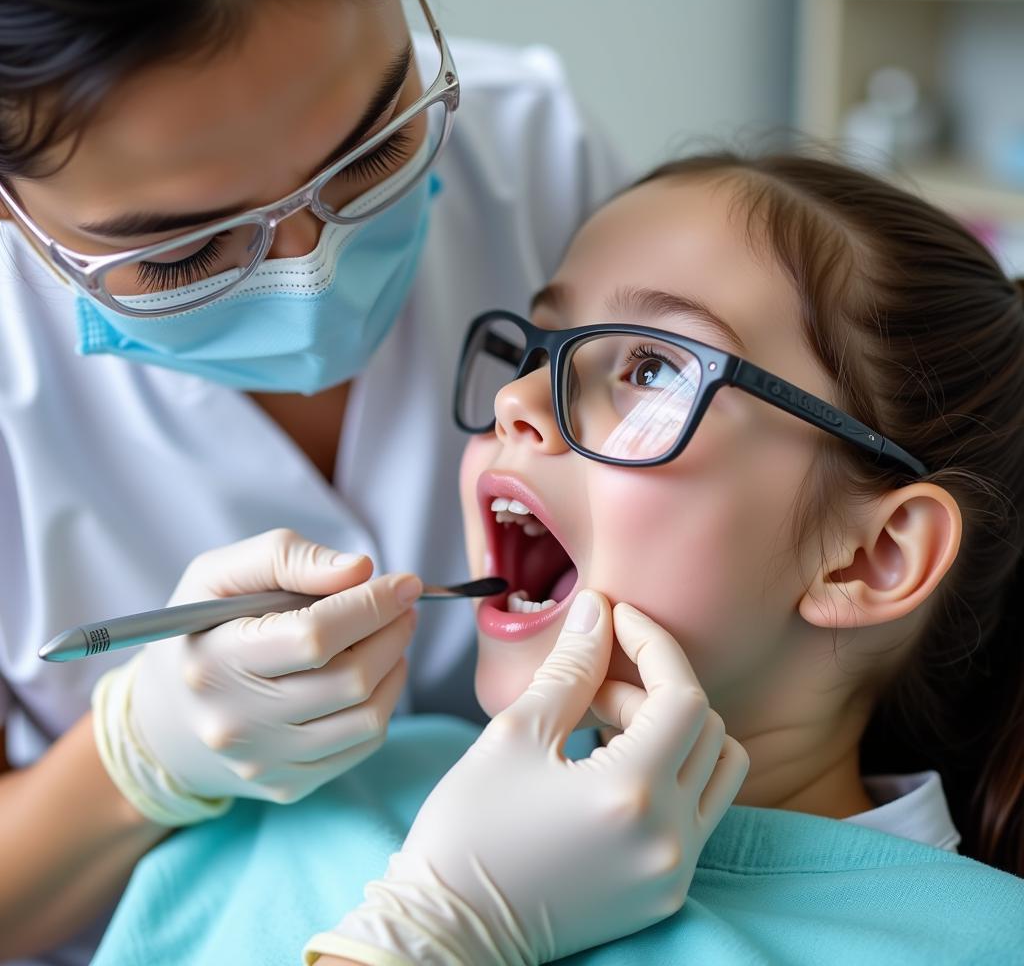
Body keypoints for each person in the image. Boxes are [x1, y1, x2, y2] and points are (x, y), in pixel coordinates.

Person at [90, 150, 1024, 965]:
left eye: (651, 366)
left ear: (871, 557)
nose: (519, 401)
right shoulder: (320, 799)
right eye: (536, 349)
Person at [0, 0, 626, 962]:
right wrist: (136, 761)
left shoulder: (536, 154)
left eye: (374, 151)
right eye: (181, 253)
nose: (313, 271)